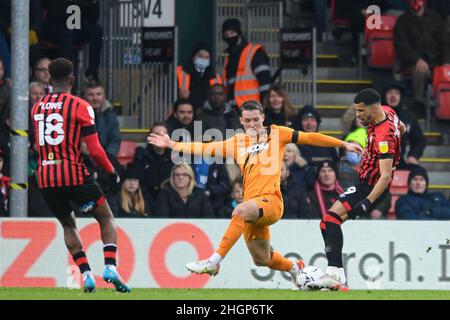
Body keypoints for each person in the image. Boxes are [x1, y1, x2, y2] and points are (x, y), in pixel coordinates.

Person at [147, 100, 364, 287]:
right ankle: (296, 268)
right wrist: (171, 143)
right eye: (247, 120)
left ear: (263, 117)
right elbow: (203, 148)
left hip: (271, 202)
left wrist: (342, 143)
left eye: (256, 119)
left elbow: (310, 137)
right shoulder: (236, 142)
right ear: (241, 122)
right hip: (253, 207)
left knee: (239, 209)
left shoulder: (277, 133)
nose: (252, 124)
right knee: (262, 259)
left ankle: (213, 262)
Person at [29, 58, 130, 293]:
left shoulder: (36, 107)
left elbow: (36, 144)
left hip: (45, 175)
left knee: (68, 224)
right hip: (73, 173)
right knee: (106, 218)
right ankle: (110, 268)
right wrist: (112, 171)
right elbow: (95, 150)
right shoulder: (80, 106)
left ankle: (85, 274)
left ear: (50, 80)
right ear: (73, 79)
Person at [308, 89, 404, 291]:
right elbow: (401, 127)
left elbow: (385, 177)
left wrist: (367, 202)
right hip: (364, 183)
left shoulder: (384, 137)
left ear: (374, 108)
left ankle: (335, 275)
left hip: (370, 188)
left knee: (329, 221)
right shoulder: (389, 112)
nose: (358, 115)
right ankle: (338, 277)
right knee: (328, 224)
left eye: (361, 111)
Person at [394, 0, 450, 115]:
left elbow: (445, 42)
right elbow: (402, 46)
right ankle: (419, 104)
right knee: (419, 71)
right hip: (413, 62)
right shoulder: (402, 21)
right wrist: (417, 60)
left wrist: (446, 62)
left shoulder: (435, 18)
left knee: (446, 73)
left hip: (437, 61)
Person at [41, 0, 102, 82]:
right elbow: (52, 15)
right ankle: (64, 71)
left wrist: (93, 3)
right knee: (68, 30)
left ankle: (92, 71)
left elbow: (93, 19)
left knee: (96, 30)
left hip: (77, 29)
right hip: (55, 30)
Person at [222, 18, 271, 108]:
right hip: (234, 109)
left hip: (252, 108)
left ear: (239, 34)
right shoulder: (229, 58)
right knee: (198, 121)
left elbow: (265, 83)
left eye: (232, 33)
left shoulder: (254, 53)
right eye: (226, 35)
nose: (229, 37)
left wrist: (264, 107)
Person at [383, 81, 426, 169]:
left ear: (401, 97)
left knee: (418, 172)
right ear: (384, 96)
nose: (393, 96)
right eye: (390, 93)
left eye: (397, 93)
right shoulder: (375, 115)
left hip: (399, 162)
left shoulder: (408, 118)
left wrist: (413, 156)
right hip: (376, 162)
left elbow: (419, 140)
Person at [132, 122, 173, 203]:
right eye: (156, 134)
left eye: (163, 135)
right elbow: (140, 185)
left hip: (170, 203)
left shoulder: (175, 156)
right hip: (146, 202)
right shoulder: (141, 156)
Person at [177, 42, 222, 115]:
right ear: (193, 57)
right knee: (197, 125)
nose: (203, 59)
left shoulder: (215, 77)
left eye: (207, 57)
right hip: (188, 115)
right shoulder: (182, 73)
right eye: (200, 56)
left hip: (210, 116)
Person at [84, 81, 121, 157]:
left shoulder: (111, 116)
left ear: (104, 97)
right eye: (91, 95)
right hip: (84, 159)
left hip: (107, 158)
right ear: (85, 97)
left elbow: (114, 141)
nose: (95, 98)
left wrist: (107, 157)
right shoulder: (77, 114)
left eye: (98, 94)